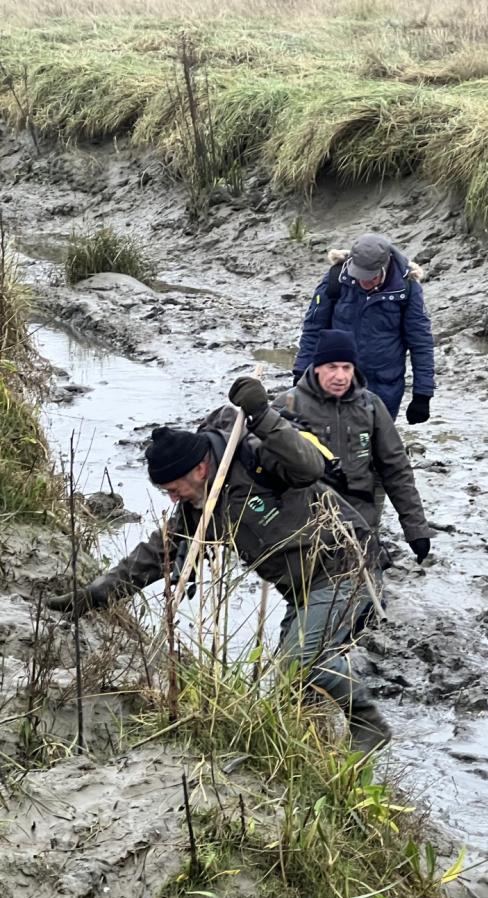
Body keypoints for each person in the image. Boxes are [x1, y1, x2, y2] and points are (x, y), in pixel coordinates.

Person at [47, 377, 391, 755]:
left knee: (299, 662)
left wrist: (262, 415)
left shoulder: (255, 455)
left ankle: (367, 724)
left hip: (344, 567)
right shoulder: (201, 505)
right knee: (290, 685)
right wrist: (95, 596)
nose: (172, 497)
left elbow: (307, 466)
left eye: (172, 488)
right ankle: (310, 755)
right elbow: (154, 554)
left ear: (198, 468)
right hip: (300, 590)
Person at [275, 330, 432, 564]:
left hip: (360, 520)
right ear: (317, 367)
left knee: (366, 595)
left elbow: (396, 469)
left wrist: (416, 529)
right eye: (332, 367)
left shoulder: (371, 405)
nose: (340, 376)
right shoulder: (288, 405)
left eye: (346, 368)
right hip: (308, 523)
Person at [293, 232, 435, 422]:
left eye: (370, 278)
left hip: (384, 387)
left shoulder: (407, 290)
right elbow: (313, 329)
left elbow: (421, 343)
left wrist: (422, 394)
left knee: (375, 446)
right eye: (359, 276)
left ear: (384, 268)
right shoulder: (336, 278)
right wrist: (301, 372)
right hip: (336, 381)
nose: (363, 282)